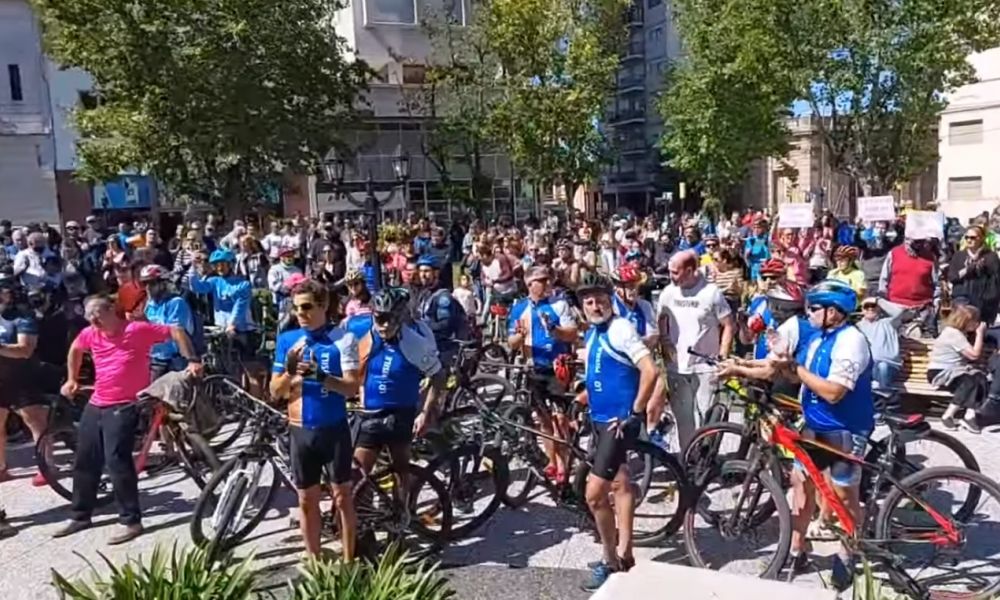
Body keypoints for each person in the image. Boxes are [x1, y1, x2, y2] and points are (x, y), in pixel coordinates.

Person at [54, 295, 201, 544]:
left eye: (98, 316)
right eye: (90, 318)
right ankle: (80, 515)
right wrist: (72, 378)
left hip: (126, 403)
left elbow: (176, 331)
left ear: (111, 310)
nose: (94, 322)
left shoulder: (137, 329)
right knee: (85, 458)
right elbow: (75, 349)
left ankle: (131, 520)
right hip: (98, 401)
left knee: (116, 460)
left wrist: (193, 360)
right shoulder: (91, 333)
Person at [771, 279, 873, 590]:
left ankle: (848, 551)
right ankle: (798, 547)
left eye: (815, 308)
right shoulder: (820, 338)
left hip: (844, 428)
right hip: (815, 426)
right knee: (801, 485)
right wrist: (776, 364)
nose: (809, 313)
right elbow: (798, 374)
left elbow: (834, 392)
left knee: (844, 496)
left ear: (834, 312)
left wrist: (796, 371)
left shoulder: (851, 341)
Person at [575, 273, 658, 591]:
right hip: (599, 418)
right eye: (589, 301)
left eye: (600, 300)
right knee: (622, 482)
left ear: (611, 301)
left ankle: (609, 560)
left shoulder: (620, 328)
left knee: (594, 495)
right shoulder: (595, 332)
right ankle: (626, 552)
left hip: (616, 423)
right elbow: (605, 371)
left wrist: (636, 411)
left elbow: (649, 370)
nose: (595, 306)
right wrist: (584, 396)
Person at [269, 279, 359, 559]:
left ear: (324, 306)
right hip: (300, 432)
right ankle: (314, 559)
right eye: (296, 308)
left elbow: (351, 388)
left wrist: (321, 377)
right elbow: (275, 392)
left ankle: (348, 560)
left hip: (333, 429)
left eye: (307, 307)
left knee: (342, 498)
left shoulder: (344, 339)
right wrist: (291, 372)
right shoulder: (288, 341)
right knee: (306, 500)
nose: (300, 313)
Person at [352, 288, 445, 513]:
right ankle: (364, 526)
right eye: (379, 318)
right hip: (370, 412)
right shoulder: (363, 331)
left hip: (400, 414)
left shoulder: (414, 343)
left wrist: (425, 412)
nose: (384, 325)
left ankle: (401, 517)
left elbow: (439, 376)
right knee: (357, 477)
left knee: (399, 472)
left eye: (391, 319)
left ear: (400, 317)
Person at [656, 250, 734, 448]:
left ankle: (704, 460)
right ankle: (686, 462)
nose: (671, 276)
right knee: (684, 420)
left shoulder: (711, 293)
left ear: (690, 270)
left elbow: (728, 324)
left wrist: (723, 355)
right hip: (676, 368)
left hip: (704, 367)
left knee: (706, 421)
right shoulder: (668, 293)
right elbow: (661, 320)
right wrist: (665, 344)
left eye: (675, 272)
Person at [509, 266, 578, 481]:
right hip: (534, 368)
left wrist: (555, 331)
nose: (549, 284)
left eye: (549, 280)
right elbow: (511, 343)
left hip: (558, 368)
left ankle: (563, 465)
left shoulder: (559, 304)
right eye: (543, 280)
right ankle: (551, 460)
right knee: (544, 420)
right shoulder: (519, 308)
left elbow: (572, 334)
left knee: (560, 419)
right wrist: (519, 338)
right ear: (530, 284)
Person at [0, 279, 50, 486]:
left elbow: (26, 349)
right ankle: (1, 468)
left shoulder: (22, 317)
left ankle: (46, 467)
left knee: (35, 422)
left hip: (22, 378)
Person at [927, 304, 988, 433]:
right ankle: (947, 415)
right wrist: (980, 334)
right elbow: (974, 355)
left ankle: (969, 416)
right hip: (940, 372)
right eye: (975, 321)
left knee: (980, 378)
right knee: (968, 381)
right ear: (966, 321)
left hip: (955, 370)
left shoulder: (959, 333)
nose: (977, 324)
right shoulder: (953, 334)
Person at [189, 249, 256, 355]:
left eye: (222, 265)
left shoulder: (244, 284)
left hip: (242, 329)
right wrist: (193, 267)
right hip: (221, 328)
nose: (219, 268)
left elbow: (240, 306)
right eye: (216, 265)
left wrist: (232, 324)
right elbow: (197, 287)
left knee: (244, 361)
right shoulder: (214, 281)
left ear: (230, 265)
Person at [140, 265, 198, 380]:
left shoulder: (176, 303)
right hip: (154, 358)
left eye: (152, 283)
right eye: (144, 284)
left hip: (175, 360)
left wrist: (192, 360)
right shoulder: (148, 305)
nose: (147, 288)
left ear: (163, 283)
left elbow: (177, 332)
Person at [412, 255, 469, 367]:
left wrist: (422, 326)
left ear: (436, 273)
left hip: (445, 348)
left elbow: (445, 325)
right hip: (429, 344)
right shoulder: (425, 293)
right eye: (421, 271)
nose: (423, 275)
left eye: (427, 271)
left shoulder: (443, 297)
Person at [948, 225, 1000, 326]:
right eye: (966, 237)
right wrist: (968, 269)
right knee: (962, 325)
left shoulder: (990, 256)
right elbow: (952, 277)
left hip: (983, 299)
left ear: (981, 238)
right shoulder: (959, 256)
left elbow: (996, 280)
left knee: (979, 329)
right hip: (962, 296)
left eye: (972, 237)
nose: (969, 240)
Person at [856, 297, 904, 392]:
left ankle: (882, 395)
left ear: (879, 309)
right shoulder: (858, 327)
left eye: (873, 306)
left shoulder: (888, 323)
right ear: (862, 310)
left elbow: (899, 313)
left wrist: (878, 300)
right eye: (867, 307)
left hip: (888, 365)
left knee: (882, 366)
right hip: (868, 366)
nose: (870, 309)